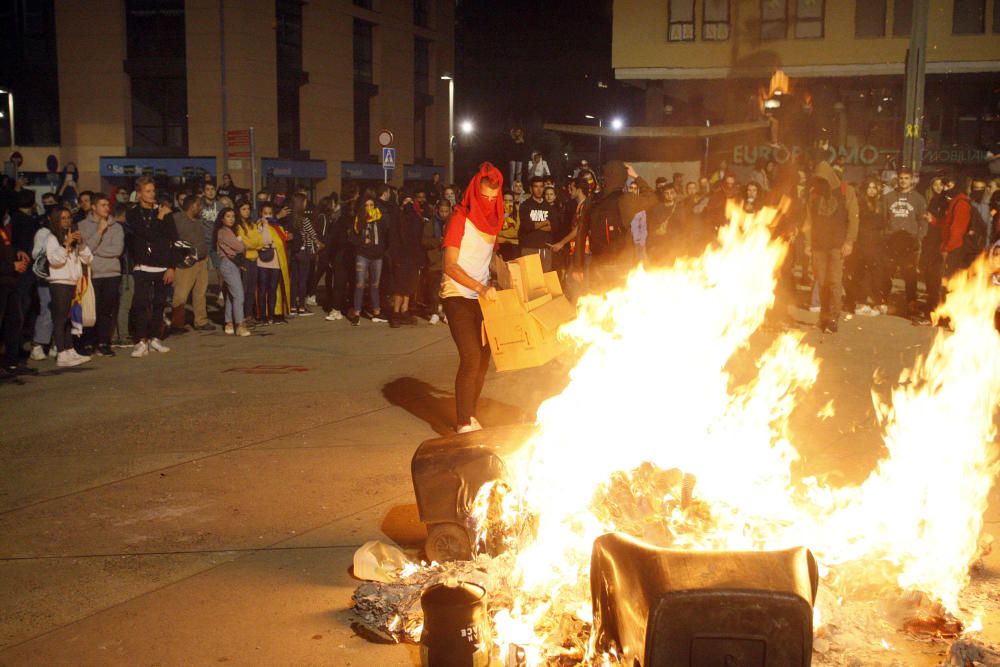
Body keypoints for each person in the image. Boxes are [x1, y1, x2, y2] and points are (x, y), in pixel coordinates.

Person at [441, 162, 504, 434]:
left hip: (480, 296)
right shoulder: (459, 219)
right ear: (474, 193)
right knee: (470, 357)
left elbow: (491, 258)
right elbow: (450, 265)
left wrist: (510, 276)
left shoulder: (493, 221)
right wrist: (480, 288)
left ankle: (471, 413)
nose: (489, 203)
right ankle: (463, 421)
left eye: (494, 198)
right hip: (457, 294)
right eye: (485, 197)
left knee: (484, 357)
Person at [574, 161, 656, 291]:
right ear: (622, 178)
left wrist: (578, 266)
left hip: (598, 263)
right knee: (620, 302)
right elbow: (652, 198)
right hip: (623, 263)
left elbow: (581, 233)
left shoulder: (592, 201)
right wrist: (635, 176)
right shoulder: (627, 199)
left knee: (599, 303)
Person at [804, 161, 858, 334]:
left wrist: (849, 241)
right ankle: (823, 317)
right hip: (819, 246)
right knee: (821, 282)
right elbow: (808, 221)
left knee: (834, 282)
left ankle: (833, 318)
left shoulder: (846, 191)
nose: (820, 183)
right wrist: (807, 243)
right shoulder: (814, 194)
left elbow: (854, 218)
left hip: (837, 245)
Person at [127, 176, 176, 358]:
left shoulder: (165, 212)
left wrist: (172, 267)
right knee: (141, 303)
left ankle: (155, 337)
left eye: (153, 191)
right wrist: (159, 218)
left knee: (159, 304)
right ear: (139, 194)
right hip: (142, 266)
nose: (152, 194)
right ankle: (141, 340)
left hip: (162, 266)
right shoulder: (133, 214)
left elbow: (174, 240)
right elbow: (148, 234)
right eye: (148, 191)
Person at [45, 206, 93, 367]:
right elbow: (54, 260)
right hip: (59, 282)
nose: (66, 221)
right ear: (56, 220)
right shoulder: (52, 238)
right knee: (60, 319)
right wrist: (66, 244)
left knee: (68, 318)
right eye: (63, 218)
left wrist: (80, 244)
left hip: (72, 282)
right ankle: (61, 353)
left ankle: (70, 349)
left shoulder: (71, 237)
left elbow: (88, 259)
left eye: (68, 217)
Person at [78, 193, 124, 356]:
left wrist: (95, 249)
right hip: (92, 273)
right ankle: (88, 342)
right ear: (93, 207)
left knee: (106, 310)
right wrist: (99, 232)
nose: (107, 208)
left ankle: (103, 342)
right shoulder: (82, 225)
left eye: (108, 205)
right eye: (103, 205)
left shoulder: (116, 227)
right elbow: (83, 249)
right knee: (91, 310)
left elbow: (117, 250)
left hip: (111, 273)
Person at [882, 166, 929, 322]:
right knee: (886, 273)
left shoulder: (918, 199)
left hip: (909, 243)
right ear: (897, 179)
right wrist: (884, 236)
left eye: (906, 178)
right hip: (891, 241)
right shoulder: (888, 197)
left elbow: (923, 222)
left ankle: (911, 306)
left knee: (910, 276)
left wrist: (918, 238)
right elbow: (883, 219)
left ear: (912, 180)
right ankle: (883, 303)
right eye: (901, 178)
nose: (903, 181)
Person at [168, 194, 214, 333]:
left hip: (201, 260)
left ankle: (201, 321)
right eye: (198, 205)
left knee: (200, 293)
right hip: (186, 263)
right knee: (181, 294)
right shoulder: (177, 219)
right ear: (192, 205)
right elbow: (172, 240)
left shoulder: (199, 220)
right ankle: (177, 324)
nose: (200, 208)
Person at [847, 176, 888, 316]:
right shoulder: (860, 203)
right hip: (863, 242)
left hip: (876, 243)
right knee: (862, 273)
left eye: (874, 188)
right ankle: (860, 303)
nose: (871, 190)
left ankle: (877, 301)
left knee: (877, 273)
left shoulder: (879, 203)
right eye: (869, 187)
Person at [0, 215, 34, 379]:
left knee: (14, 322)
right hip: (4, 279)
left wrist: (16, 252)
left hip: (9, 282)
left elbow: (5, 248)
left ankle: (11, 362)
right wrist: (11, 265)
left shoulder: (2, 229)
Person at [347, 196, 389, 326]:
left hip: (377, 256)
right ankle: (357, 313)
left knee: (375, 285)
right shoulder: (359, 219)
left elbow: (386, 233)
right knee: (360, 284)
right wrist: (362, 241)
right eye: (367, 205)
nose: (369, 207)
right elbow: (352, 238)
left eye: (372, 205)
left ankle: (376, 312)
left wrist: (383, 250)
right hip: (363, 255)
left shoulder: (380, 218)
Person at [389, 194, 426, 327]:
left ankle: (404, 311)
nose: (409, 203)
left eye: (411, 200)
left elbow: (418, 239)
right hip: (400, 257)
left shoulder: (416, 218)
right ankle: (396, 313)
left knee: (409, 286)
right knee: (400, 287)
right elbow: (393, 239)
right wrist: (395, 257)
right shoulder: (397, 218)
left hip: (413, 258)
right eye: (406, 201)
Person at [213, 207, 250, 336]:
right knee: (239, 295)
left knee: (230, 295)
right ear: (222, 218)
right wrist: (241, 244)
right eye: (228, 216)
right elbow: (240, 247)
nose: (231, 219)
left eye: (233, 216)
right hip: (228, 264)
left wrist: (240, 244)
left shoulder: (230, 231)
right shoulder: (223, 232)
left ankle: (228, 322)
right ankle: (240, 324)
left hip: (233, 264)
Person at [288, 192, 318, 315]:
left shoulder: (290, 219)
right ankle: (301, 306)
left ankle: (293, 306)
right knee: (303, 279)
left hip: (294, 251)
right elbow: (313, 234)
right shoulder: (304, 220)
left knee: (294, 279)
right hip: (304, 251)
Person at [518, 176, 555, 270]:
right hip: (528, 247)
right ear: (531, 189)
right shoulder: (525, 206)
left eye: (541, 186)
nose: (539, 190)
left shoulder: (549, 207)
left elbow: (553, 227)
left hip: (545, 248)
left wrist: (535, 225)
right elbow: (526, 226)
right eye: (536, 186)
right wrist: (545, 222)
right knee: (530, 280)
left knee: (545, 280)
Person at [422, 198, 449, 325]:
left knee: (446, 290)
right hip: (434, 261)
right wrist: (438, 241)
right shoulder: (431, 224)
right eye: (442, 211)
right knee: (434, 290)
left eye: (446, 211)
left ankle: (445, 312)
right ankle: (434, 312)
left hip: (448, 261)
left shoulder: (452, 223)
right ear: (437, 210)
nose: (444, 214)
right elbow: (424, 241)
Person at [236, 201, 263, 323]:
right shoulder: (237, 225)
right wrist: (254, 244)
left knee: (252, 288)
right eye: (243, 209)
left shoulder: (252, 224)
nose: (246, 211)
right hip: (245, 259)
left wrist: (254, 244)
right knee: (244, 288)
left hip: (254, 258)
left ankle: (249, 314)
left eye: (248, 209)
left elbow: (260, 241)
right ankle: (241, 315)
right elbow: (244, 243)